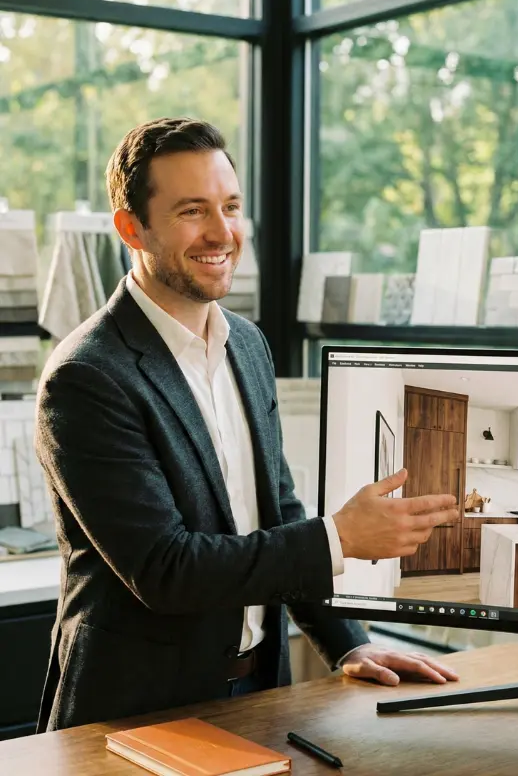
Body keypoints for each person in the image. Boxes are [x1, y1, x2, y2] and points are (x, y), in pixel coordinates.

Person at [34, 117, 460, 732]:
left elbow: (277, 511)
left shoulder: (249, 346)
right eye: (191, 211)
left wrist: (348, 643)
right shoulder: (86, 377)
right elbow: (166, 570)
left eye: (231, 206)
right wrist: (339, 538)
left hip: (259, 697)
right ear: (132, 227)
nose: (222, 232)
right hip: (133, 718)